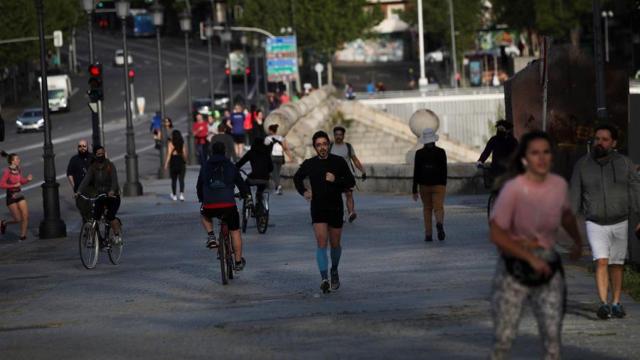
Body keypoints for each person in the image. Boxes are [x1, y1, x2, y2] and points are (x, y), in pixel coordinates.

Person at [489, 131, 582, 359]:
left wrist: (577, 241)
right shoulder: (513, 189)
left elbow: (566, 215)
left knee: (552, 340)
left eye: (546, 152)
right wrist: (530, 258)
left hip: (548, 268)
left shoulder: (559, 185)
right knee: (504, 339)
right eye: (534, 153)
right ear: (524, 158)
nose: (541, 158)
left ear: (552, 157)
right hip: (513, 269)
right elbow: (496, 234)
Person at [570, 124, 640, 320]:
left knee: (617, 264)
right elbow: (574, 194)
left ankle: (616, 303)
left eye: (604, 139)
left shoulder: (624, 164)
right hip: (594, 221)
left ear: (614, 143)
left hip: (620, 220)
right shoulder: (582, 165)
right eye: (597, 139)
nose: (599, 142)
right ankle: (603, 304)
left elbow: (636, 190)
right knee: (601, 261)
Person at [294, 131, 356, 293]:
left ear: (329, 145)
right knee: (321, 242)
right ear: (315, 147)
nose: (322, 147)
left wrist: (336, 180)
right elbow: (297, 178)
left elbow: (351, 182)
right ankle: (324, 278)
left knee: (335, 244)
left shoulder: (339, 162)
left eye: (324, 144)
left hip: (335, 207)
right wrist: (304, 192)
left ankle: (334, 270)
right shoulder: (310, 163)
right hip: (318, 208)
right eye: (318, 145)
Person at [196, 142, 251, 271]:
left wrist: (202, 199)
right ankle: (238, 262)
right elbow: (241, 184)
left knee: (204, 214)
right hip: (228, 204)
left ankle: (211, 236)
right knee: (235, 231)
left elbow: (199, 186)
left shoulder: (205, 166)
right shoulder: (231, 166)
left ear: (212, 152)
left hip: (209, 204)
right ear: (225, 152)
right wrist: (245, 195)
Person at [76, 146, 122, 246]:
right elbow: (86, 180)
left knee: (110, 216)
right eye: (98, 154)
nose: (100, 156)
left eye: (102, 154)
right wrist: (78, 191)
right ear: (95, 155)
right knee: (95, 217)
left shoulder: (110, 165)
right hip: (100, 196)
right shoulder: (93, 168)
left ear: (104, 153)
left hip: (113, 197)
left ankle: (117, 235)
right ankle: (94, 239)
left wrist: (112, 191)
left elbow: (114, 181)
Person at [412, 128, 447, 242]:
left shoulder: (419, 153)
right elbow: (444, 170)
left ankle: (428, 234)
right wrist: (443, 184)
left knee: (427, 209)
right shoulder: (441, 152)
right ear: (434, 140)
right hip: (439, 184)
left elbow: (416, 171)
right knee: (438, 207)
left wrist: (414, 190)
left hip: (424, 185)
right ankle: (439, 223)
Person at [330, 126, 366, 223]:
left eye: (340, 135)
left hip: (347, 175)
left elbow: (355, 160)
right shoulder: (330, 147)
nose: (338, 137)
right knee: (336, 196)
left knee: (349, 194)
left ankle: (351, 213)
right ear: (334, 135)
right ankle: (340, 215)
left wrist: (362, 170)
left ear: (343, 136)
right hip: (334, 176)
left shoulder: (348, 147)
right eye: (336, 135)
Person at [0, 153, 33, 241]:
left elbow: (21, 181)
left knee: (25, 216)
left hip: (19, 195)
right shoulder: (7, 171)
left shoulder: (18, 169)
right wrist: (14, 185)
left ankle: (23, 236)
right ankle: (4, 223)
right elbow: (2, 185)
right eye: (17, 159)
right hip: (11, 197)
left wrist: (27, 180)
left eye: (19, 158)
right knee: (17, 219)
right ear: (12, 161)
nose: (19, 160)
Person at [236, 137, 273, 205]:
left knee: (246, 183)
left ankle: (249, 197)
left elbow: (240, 163)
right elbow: (271, 167)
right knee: (260, 190)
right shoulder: (266, 153)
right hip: (265, 179)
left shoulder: (251, 153)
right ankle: (260, 204)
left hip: (254, 177)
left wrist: (236, 167)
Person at [66, 139, 93, 220]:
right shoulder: (74, 159)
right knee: (84, 213)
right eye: (80, 146)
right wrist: (74, 187)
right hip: (79, 191)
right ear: (77, 148)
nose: (82, 148)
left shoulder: (93, 157)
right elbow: (69, 174)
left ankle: (94, 229)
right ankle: (87, 229)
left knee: (93, 211)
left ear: (87, 147)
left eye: (84, 146)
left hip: (92, 189)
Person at [265, 124, 293, 195]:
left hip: (272, 157)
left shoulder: (268, 139)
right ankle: (277, 187)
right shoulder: (281, 138)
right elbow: (285, 148)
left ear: (271, 131)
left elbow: (264, 149)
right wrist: (290, 156)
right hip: (280, 157)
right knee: (277, 172)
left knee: (274, 173)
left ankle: (278, 186)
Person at [164, 130, 188, 201]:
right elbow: (184, 154)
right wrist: (185, 160)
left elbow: (168, 155)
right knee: (181, 179)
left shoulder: (170, 143)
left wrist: (166, 164)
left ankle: (174, 195)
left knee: (174, 180)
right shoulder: (182, 143)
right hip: (181, 161)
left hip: (173, 161)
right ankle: (181, 195)